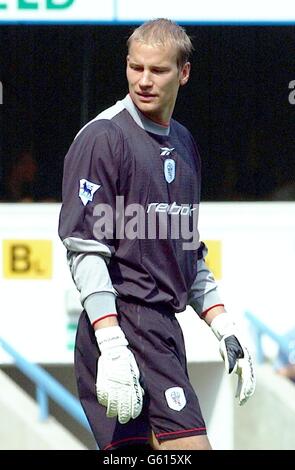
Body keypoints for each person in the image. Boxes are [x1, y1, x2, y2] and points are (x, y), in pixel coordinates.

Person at [58, 18, 255, 451]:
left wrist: (223, 326)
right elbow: (85, 250)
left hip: (164, 328)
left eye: (158, 70)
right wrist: (111, 342)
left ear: (183, 73)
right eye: (135, 67)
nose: (143, 81)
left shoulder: (184, 143)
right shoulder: (103, 137)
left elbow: (186, 248)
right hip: (122, 323)